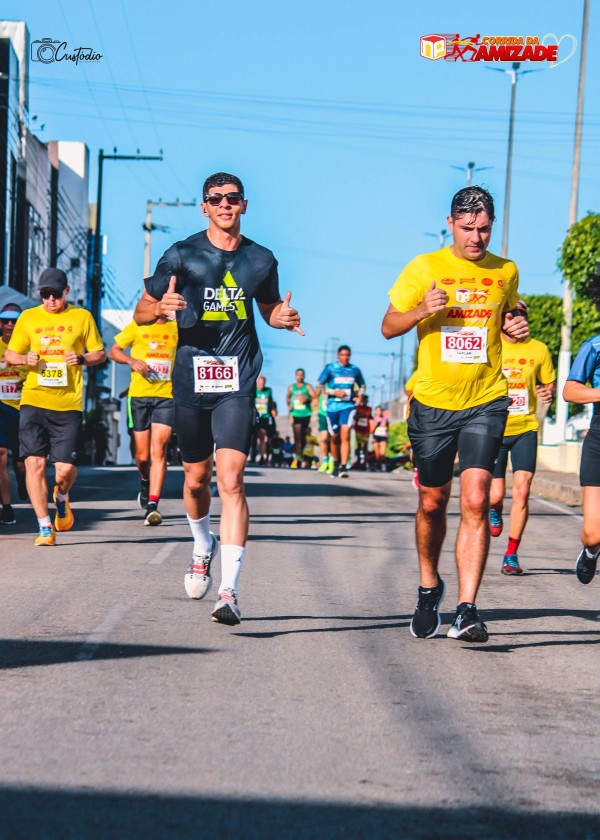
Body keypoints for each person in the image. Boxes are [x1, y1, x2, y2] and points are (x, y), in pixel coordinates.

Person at [133, 172, 303, 625]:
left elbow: (266, 306)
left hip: (237, 378)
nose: (225, 205)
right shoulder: (182, 254)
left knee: (231, 480)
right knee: (195, 481)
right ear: (204, 207)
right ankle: (201, 543)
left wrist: (280, 315)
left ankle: (228, 591)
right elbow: (142, 310)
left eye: (232, 199)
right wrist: (159, 308)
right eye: (216, 199)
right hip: (191, 378)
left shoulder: (261, 259)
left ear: (244, 205)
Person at [381, 186, 528, 643]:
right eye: (468, 228)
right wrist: (421, 310)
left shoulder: (505, 270)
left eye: (484, 228)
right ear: (450, 223)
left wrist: (516, 323)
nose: (476, 237)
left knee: (477, 498)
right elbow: (387, 326)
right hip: (432, 402)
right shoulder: (424, 268)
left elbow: (509, 312)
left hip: (486, 399)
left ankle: (467, 609)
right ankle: (430, 586)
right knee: (431, 502)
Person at [5, 268, 105, 546]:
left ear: (66, 292)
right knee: (33, 463)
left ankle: (61, 498)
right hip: (34, 400)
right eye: (45, 294)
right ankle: (44, 526)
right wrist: (25, 358)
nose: (50, 300)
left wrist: (82, 359)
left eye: (55, 295)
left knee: (64, 470)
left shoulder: (82, 317)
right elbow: (11, 353)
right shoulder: (28, 318)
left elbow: (100, 353)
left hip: (68, 404)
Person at [489, 300, 555, 575]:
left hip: (525, 427)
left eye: (521, 314)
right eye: (511, 314)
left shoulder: (539, 349)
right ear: (502, 320)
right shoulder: (492, 345)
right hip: (494, 427)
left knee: (523, 489)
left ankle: (511, 554)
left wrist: (547, 392)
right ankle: (494, 508)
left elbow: (547, 382)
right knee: (494, 496)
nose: (516, 319)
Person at [108, 314, 177, 525]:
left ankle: (153, 505)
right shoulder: (137, 325)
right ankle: (145, 480)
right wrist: (131, 361)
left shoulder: (177, 327)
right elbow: (113, 351)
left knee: (160, 449)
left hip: (166, 396)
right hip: (138, 396)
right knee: (142, 455)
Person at [563, 270, 600, 586]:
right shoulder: (594, 346)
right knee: (592, 533)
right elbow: (570, 391)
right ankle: (591, 551)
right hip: (599, 438)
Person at [318, 345, 365, 478]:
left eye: (347, 355)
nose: (345, 357)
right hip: (332, 407)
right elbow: (319, 385)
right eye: (343, 355)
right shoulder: (330, 368)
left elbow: (362, 384)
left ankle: (344, 467)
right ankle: (336, 463)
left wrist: (359, 397)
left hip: (348, 406)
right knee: (334, 437)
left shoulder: (354, 370)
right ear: (338, 355)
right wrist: (333, 392)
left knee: (345, 433)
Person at [0, 303, 27, 524]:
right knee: (0, 457)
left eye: (14, 321)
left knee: (20, 465)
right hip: (1, 408)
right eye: (5, 320)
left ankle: (22, 479)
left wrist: (26, 380)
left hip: (24, 410)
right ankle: (6, 506)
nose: (10, 324)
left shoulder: (29, 347)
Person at [287, 368, 315, 469]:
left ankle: (300, 455)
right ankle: (296, 458)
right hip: (295, 414)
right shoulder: (291, 387)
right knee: (297, 437)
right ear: (295, 376)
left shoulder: (307, 386)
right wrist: (289, 405)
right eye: (298, 375)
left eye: (301, 375)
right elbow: (288, 397)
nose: (300, 376)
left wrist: (306, 399)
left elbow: (314, 397)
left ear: (304, 376)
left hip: (306, 414)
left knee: (303, 437)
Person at [254, 374, 277, 465]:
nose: (261, 385)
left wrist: (273, 409)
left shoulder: (269, 390)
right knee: (261, 435)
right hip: (257, 416)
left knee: (267, 438)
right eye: (260, 384)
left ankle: (265, 455)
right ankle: (261, 455)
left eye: (263, 384)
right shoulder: (254, 390)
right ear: (257, 383)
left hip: (267, 417)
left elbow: (271, 401)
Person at [352, 394, 373, 469]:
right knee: (358, 445)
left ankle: (364, 462)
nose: (364, 402)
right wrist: (359, 416)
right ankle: (358, 461)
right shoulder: (358, 408)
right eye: (363, 400)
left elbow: (370, 417)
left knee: (365, 446)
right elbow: (354, 417)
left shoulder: (369, 409)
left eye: (366, 400)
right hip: (358, 429)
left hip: (366, 429)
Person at [316, 390, 332, 473]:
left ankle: (332, 461)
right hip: (323, 414)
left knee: (334, 439)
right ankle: (325, 461)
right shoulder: (322, 384)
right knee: (323, 438)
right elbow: (315, 396)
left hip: (334, 413)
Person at [371, 404, 389, 472]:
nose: (379, 412)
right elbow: (371, 430)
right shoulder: (373, 418)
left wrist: (384, 424)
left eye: (380, 410)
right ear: (375, 411)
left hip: (383, 437)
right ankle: (378, 465)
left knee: (382, 453)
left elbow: (386, 427)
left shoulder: (385, 418)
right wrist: (376, 424)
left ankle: (383, 465)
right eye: (377, 410)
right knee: (377, 454)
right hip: (376, 437)